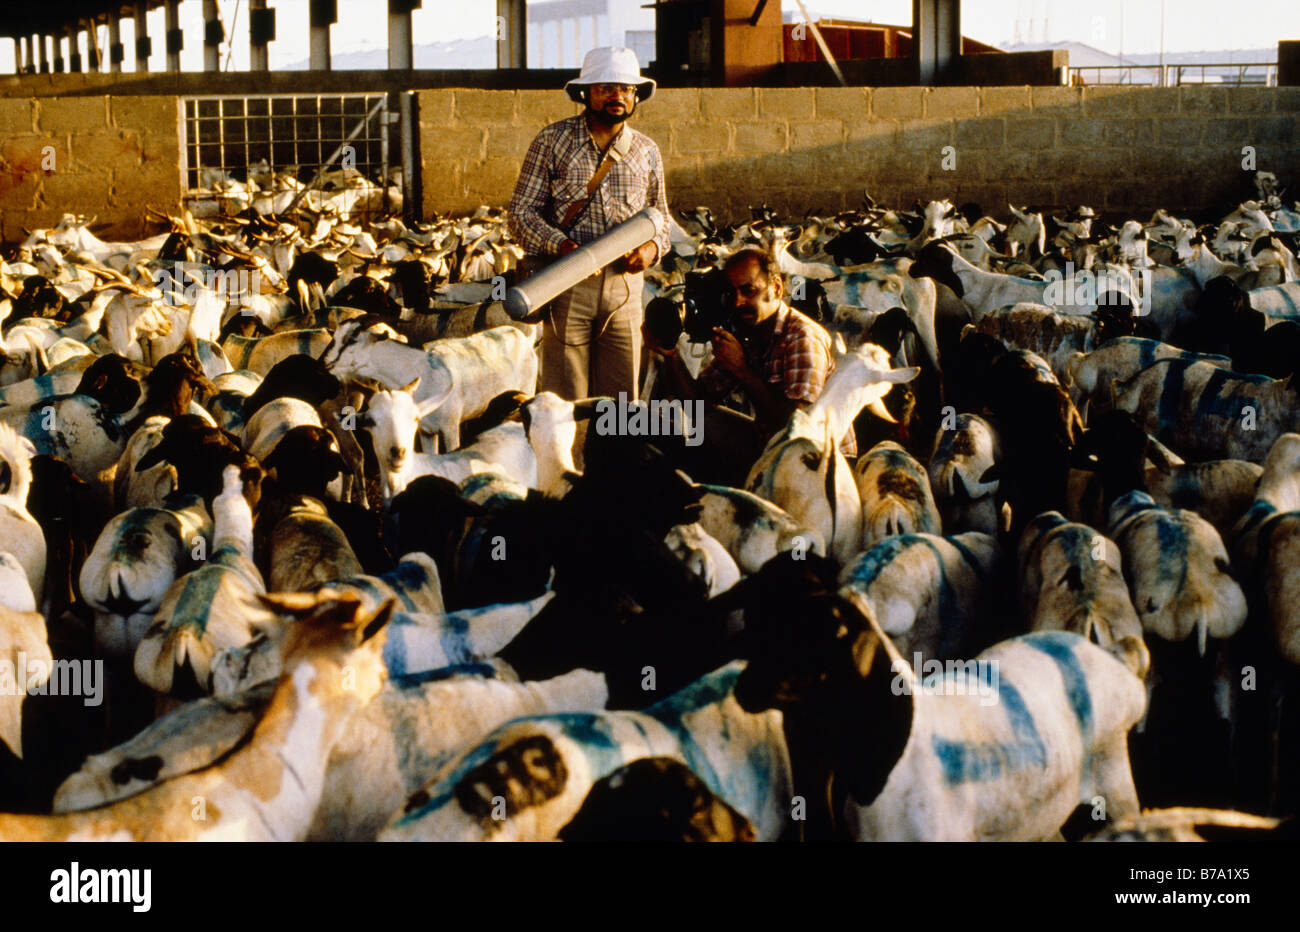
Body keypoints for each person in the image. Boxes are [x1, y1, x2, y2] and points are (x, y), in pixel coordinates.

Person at [507, 46, 671, 401]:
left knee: (621, 399)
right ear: (586, 93)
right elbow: (520, 213)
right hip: (566, 282)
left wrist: (650, 250)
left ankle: (613, 459)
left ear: (636, 96)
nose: (617, 96)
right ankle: (569, 458)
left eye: (626, 89)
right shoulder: (552, 141)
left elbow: (662, 221)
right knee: (565, 401)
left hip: (625, 290)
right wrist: (561, 245)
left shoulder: (647, 150)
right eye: (606, 88)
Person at [642, 246, 847, 482]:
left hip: (819, 463)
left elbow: (797, 428)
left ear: (777, 288)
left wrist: (741, 370)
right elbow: (696, 406)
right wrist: (671, 355)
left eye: (749, 291)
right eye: (732, 294)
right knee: (693, 433)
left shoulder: (802, 337)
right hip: (772, 442)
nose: (739, 302)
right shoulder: (747, 331)